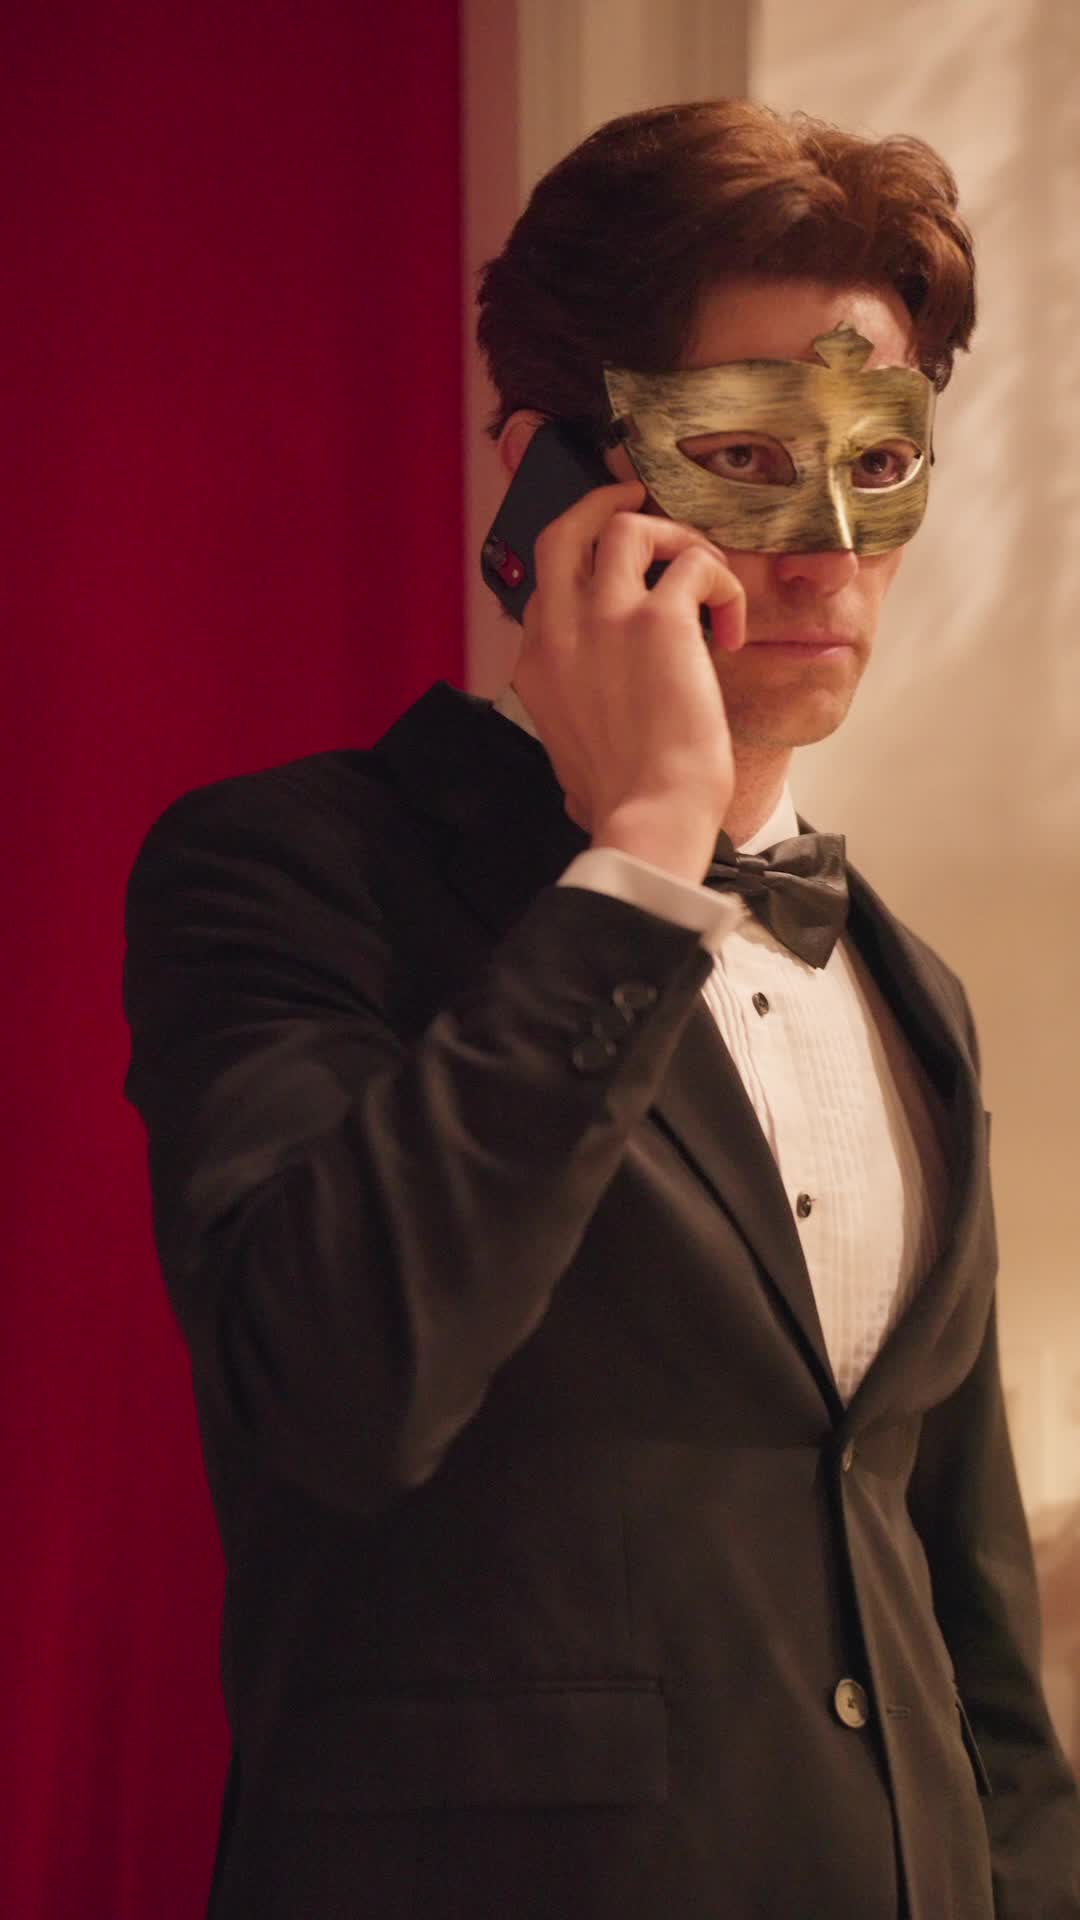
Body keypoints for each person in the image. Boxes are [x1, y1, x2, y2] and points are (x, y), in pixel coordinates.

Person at [123, 100, 1080, 1919]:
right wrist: (644, 854)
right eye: (745, 455)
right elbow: (337, 1394)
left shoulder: (911, 989)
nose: (826, 548)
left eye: (880, 463)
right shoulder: (293, 872)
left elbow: (961, 1612)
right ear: (553, 478)